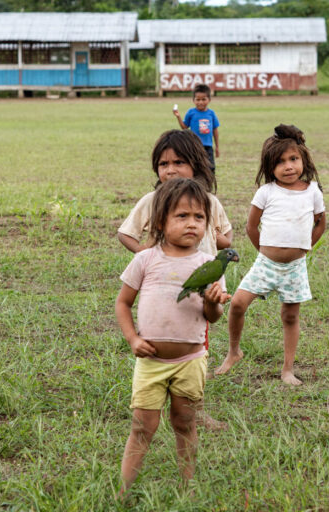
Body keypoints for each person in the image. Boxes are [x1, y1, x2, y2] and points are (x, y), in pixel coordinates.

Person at [116, 178, 231, 497]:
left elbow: (212, 318)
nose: (192, 223)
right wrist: (132, 339)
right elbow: (123, 303)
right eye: (182, 216)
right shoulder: (146, 259)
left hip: (191, 361)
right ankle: (123, 492)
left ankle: (187, 488)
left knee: (185, 422)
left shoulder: (209, 264)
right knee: (142, 428)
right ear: (160, 222)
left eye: (199, 217)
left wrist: (211, 302)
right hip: (151, 363)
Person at [117, 129, 232, 430]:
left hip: (202, 291)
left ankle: (193, 406)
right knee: (162, 340)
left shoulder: (209, 201)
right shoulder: (153, 199)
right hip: (163, 287)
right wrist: (147, 255)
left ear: (196, 164)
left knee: (198, 347)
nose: (170, 170)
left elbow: (227, 237)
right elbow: (126, 233)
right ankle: (153, 399)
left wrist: (210, 235)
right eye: (163, 164)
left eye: (178, 162)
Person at [215, 124, 326, 386]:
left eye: (293, 159)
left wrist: (304, 246)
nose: (288, 166)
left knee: (290, 315)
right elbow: (251, 226)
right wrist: (264, 251)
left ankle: (287, 369)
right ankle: (234, 352)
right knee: (238, 303)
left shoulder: (312, 191)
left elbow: (320, 223)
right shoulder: (266, 192)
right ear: (269, 167)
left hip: (296, 267)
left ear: (303, 159)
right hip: (266, 263)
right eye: (280, 162)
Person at [173, 84, 220, 171]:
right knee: (195, 167)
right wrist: (178, 116)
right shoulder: (191, 112)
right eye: (198, 99)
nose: (200, 102)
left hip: (208, 146)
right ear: (193, 100)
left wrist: (217, 147)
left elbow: (215, 130)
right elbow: (184, 127)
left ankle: (208, 184)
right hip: (194, 146)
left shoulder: (211, 114)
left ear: (209, 100)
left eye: (203, 99)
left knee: (210, 168)